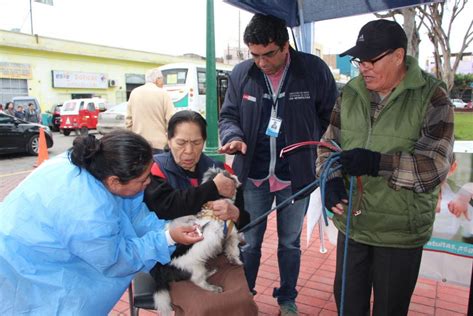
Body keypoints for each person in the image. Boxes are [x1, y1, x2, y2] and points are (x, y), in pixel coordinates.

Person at [316, 19, 454, 315]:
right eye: (359, 60)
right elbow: (328, 146)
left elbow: (435, 168)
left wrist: (378, 163)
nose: (363, 67)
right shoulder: (350, 93)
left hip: (399, 232)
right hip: (354, 225)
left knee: (390, 310)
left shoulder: (433, 96)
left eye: (371, 59)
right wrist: (330, 179)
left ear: (398, 56)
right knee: (347, 306)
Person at [0, 130, 203, 315]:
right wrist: (166, 238)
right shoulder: (88, 212)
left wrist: (165, 228)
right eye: (142, 180)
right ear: (115, 181)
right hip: (22, 268)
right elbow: (116, 260)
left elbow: (134, 213)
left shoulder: (96, 164)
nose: (149, 182)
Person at [218, 14, 338, 315]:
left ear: (285, 46)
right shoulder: (242, 74)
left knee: (290, 243)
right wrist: (233, 137)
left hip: (296, 177)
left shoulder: (313, 70)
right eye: (254, 55)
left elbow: (331, 117)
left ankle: (287, 299)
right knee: (249, 242)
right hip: (254, 175)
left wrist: (310, 143)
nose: (261, 62)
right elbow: (228, 116)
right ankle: (244, 297)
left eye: (268, 54)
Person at [144, 110, 258, 316]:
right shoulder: (154, 170)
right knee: (202, 308)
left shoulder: (222, 170)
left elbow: (245, 220)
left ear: (204, 142)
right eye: (181, 142)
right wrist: (213, 188)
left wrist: (235, 213)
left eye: (196, 143)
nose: (189, 151)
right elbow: (167, 206)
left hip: (217, 256)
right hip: (174, 261)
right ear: (169, 141)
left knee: (243, 304)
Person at [126, 67, 175, 153]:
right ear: (157, 80)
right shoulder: (163, 94)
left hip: (139, 143)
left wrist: (132, 139)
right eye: (162, 79)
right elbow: (171, 119)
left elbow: (128, 120)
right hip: (159, 144)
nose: (163, 83)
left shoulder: (134, 92)